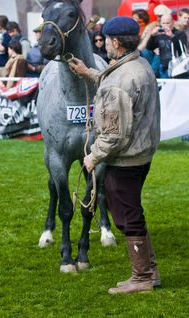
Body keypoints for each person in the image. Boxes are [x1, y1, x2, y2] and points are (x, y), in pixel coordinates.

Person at [69, 16, 161, 294]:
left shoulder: (122, 79)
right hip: (139, 154)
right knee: (132, 212)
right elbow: (116, 86)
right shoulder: (137, 64)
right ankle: (150, 272)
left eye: (107, 40)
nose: (105, 44)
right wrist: (88, 72)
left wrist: (93, 156)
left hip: (125, 158)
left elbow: (112, 133)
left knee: (126, 217)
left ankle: (143, 276)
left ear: (116, 42)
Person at [147, 13, 187, 78]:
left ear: (173, 23)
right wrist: (152, 36)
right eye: (163, 23)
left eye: (168, 23)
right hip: (164, 66)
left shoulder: (180, 34)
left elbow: (183, 48)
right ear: (160, 24)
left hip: (178, 67)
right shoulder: (159, 34)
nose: (165, 25)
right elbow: (149, 47)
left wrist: (172, 36)